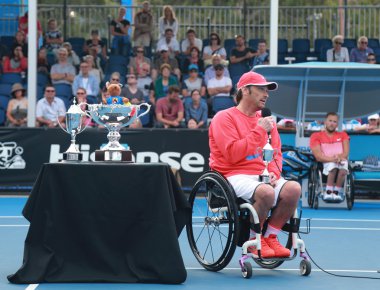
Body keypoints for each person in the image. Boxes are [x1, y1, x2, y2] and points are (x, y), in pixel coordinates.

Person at [209, 71, 301, 258]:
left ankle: (270, 237)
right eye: (261, 89)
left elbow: (276, 153)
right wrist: (259, 130)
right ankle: (253, 241)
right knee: (265, 192)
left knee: (293, 189)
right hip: (232, 175)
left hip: (262, 174)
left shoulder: (267, 121)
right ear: (245, 90)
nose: (266, 94)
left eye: (267, 90)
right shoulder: (223, 118)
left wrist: (274, 172)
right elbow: (233, 155)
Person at [310, 112, 350, 201]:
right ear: (325, 122)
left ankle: (336, 192)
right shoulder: (316, 136)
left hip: (341, 160)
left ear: (337, 124)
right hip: (326, 162)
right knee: (333, 166)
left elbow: (346, 153)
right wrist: (333, 159)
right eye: (330, 121)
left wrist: (339, 158)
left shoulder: (343, 135)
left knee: (344, 168)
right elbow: (318, 156)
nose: (332, 123)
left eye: (334, 121)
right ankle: (328, 192)